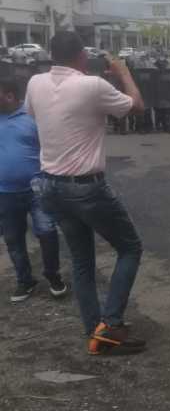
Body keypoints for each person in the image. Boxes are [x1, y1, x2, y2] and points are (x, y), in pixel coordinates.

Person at [25, 31, 147, 355]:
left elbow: (35, 115)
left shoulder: (35, 83)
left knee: (82, 260)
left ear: (52, 54)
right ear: (81, 56)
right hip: (85, 186)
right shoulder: (92, 85)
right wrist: (124, 74)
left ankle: (94, 329)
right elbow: (137, 106)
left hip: (50, 184)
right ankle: (111, 324)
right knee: (130, 247)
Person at [0, 78, 67, 303]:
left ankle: (52, 275)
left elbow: (51, 149)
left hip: (36, 188)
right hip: (5, 192)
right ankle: (25, 280)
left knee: (47, 232)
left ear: (9, 95)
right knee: (13, 238)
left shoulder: (31, 118)